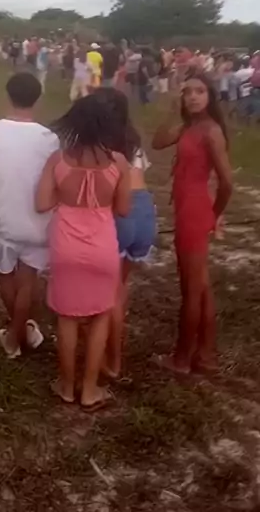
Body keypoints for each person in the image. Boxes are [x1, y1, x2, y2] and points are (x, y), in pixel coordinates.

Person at [36, 96, 130, 411]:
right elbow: (123, 208)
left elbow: (42, 203)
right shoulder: (119, 163)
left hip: (66, 246)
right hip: (102, 247)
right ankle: (89, 390)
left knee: (67, 317)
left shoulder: (58, 160)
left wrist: (66, 197)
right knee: (101, 315)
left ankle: (66, 386)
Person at [0, 73, 59, 358]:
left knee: (6, 275)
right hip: (37, 222)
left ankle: (14, 337)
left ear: (7, 96)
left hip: (1, 221)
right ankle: (21, 333)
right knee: (27, 281)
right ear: (38, 100)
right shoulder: (51, 139)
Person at [152, 73, 232, 375]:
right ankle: (205, 355)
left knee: (191, 289)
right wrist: (172, 108)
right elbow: (158, 142)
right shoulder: (189, 126)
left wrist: (214, 214)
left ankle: (182, 359)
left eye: (200, 91)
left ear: (210, 95)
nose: (194, 97)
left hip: (195, 213)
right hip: (188, 210)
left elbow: (227, 182)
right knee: (201, 287)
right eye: (188, 92)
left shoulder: (211, 131)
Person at [97, 89, 156, 380]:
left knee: (112, 293)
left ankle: (112, 361)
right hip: (145, 209)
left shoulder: (100, 143)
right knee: (121, 285)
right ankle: (112, 348)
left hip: (120, 210)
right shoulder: (134, 139)